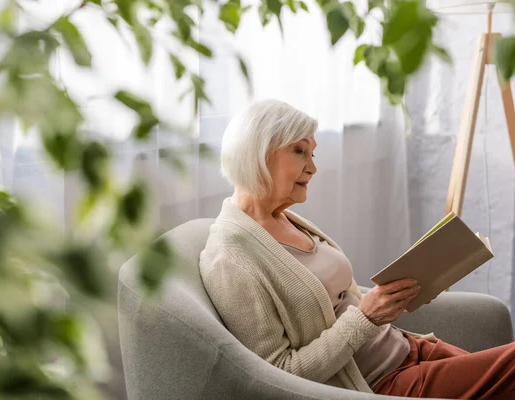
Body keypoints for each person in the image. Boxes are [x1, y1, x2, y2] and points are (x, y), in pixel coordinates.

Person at [199, 99, 515, 399]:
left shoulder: (282, 217)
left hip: (407, 349)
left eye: (313, 153)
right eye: (299, 151)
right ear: (258, 153)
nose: (312, 168)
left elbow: (338, 299)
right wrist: (366, 317)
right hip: (381, 384)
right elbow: (279, 375)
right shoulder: (230, 257)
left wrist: (407, 290)